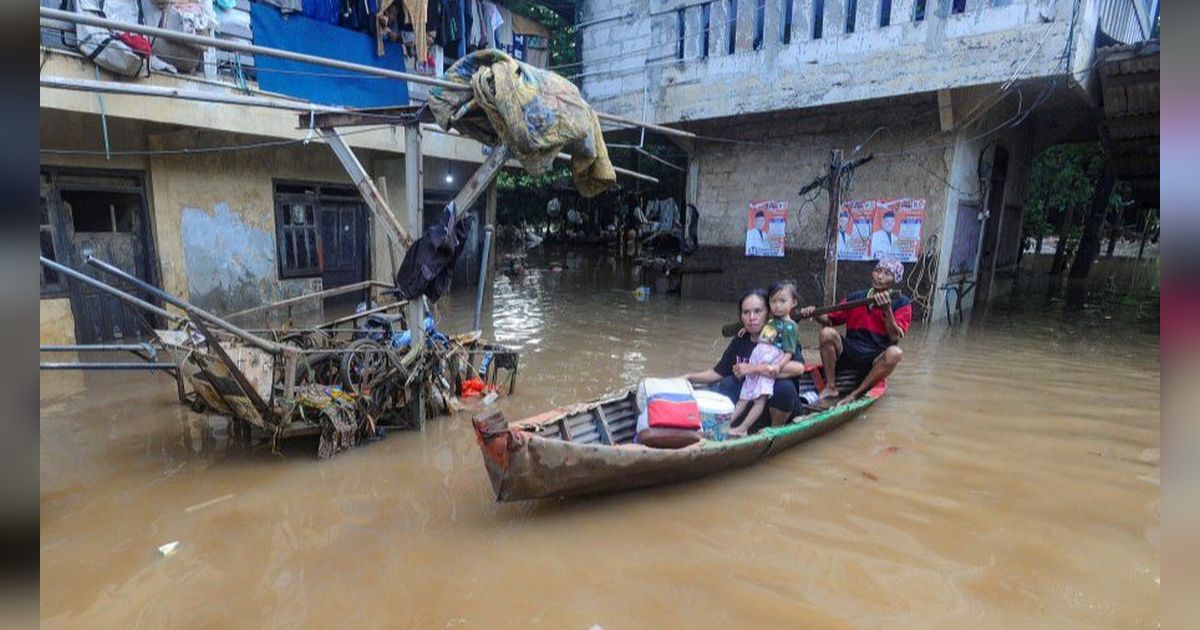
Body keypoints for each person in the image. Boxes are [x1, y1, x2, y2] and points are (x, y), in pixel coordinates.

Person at [681, 289, 806, 435]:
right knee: (729, 382)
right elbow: (718, 372)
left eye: (758, 311)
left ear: (769, 313)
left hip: (781, 409)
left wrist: (753, 369)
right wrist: (688, 377)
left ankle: (774, 432)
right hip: (751, 406)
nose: (752, 317)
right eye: (746, 312)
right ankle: (731, 426)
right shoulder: (740, 340)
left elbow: (798, 368)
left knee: (783, 388)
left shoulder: (782, 337)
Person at [801, 259, 911, 408]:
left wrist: (887, 310)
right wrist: (813, 313)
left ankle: (856, 394)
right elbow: (831, 319)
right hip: (852, 349)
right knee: (827, 333)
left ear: (894, 280)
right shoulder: (857, 297)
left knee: (895, 353)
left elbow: (894, 337)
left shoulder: (902, 303)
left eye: (887, 274)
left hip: (875, 356)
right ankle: (831, 387)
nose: (880, 276)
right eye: (878, 271)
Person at [727, 281, 800, 437]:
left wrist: (776, 367)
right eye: (774, 302)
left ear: (793, 303)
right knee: (742, 397)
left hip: (769, 366)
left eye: (782, 301)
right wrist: (745, 328)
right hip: (759, 358)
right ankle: (725, 424)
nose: (778, 306)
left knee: (764, 397)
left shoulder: (790, 328)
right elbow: (764, 333)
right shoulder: (772, 323)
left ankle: (746, 429)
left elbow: (791, 356)